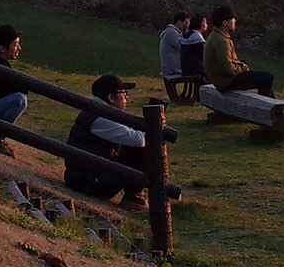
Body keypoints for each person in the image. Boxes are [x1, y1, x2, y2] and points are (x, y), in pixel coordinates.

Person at [63, 74, 148, 208]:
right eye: (123, 92)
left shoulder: (97, 111)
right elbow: (139, 140)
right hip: (89, 181)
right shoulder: (101, 117)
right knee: (145, 147)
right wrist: (152, 128)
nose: (127, 96)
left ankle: (134, 196)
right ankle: (133, 197)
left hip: (84, 176)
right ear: (111, 98)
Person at [203, 6, 274, 95]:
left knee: (263, 77)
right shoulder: (221, 40)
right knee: (267, 78)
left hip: (222, 80)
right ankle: (267, 107)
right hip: (226, 82)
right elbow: (228, 68)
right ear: (225, 23)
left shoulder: (216, 36)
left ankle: (272, 106)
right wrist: (243, 69)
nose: (235, 21)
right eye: (232, 19)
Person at [158, 12, 192, 78]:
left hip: (171, 69)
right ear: (179, 21)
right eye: (186, 23)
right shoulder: (172, 33)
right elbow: (185, 46)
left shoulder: (171, 32)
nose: (187, 25)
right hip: (172, 70)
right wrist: (188, 30)